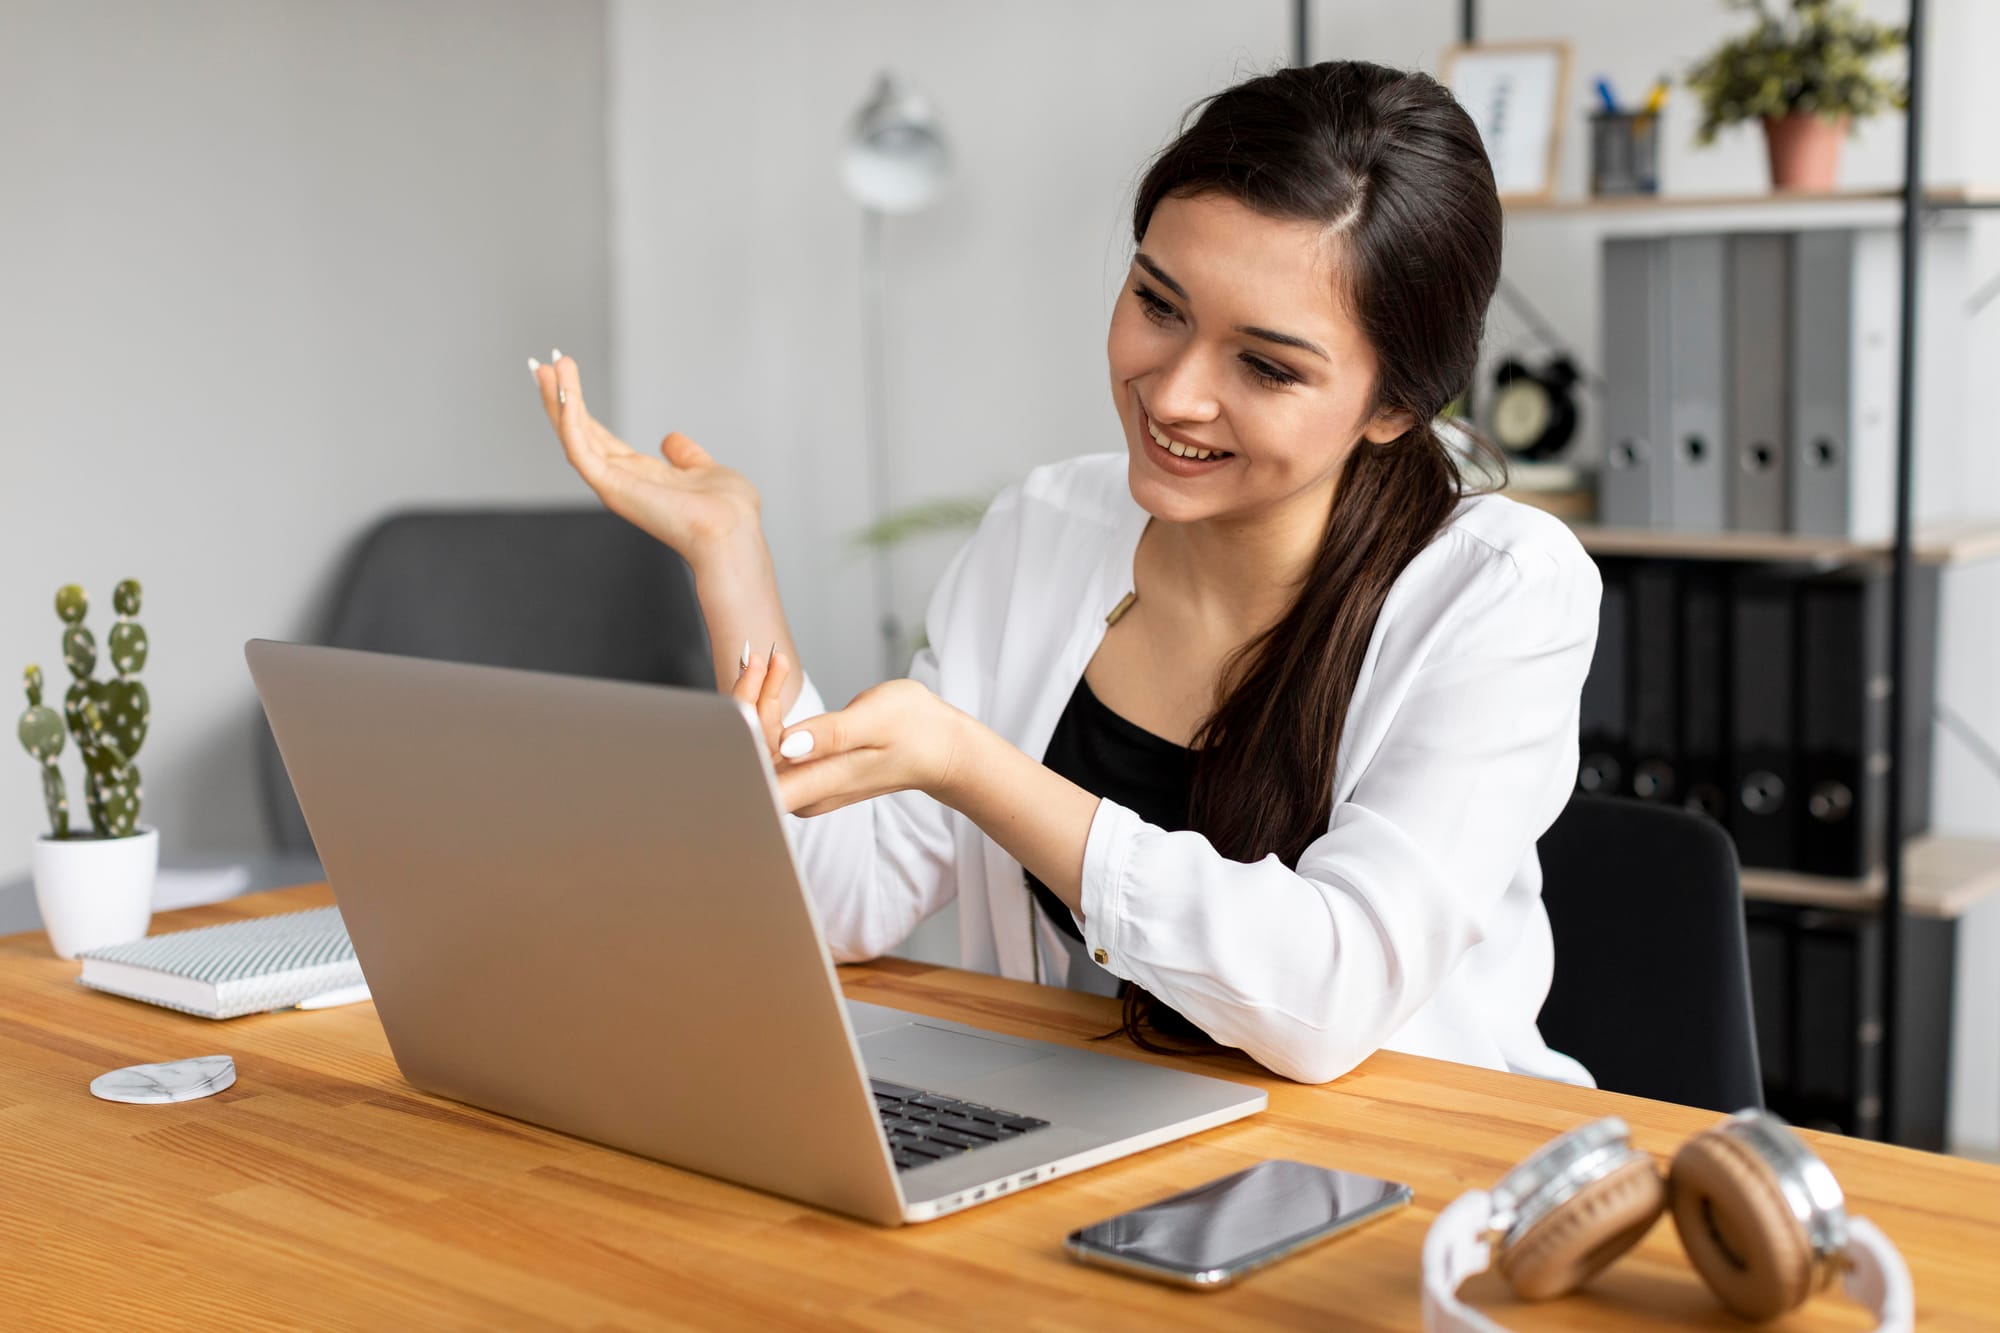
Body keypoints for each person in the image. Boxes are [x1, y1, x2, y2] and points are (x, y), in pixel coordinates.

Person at [530, 60, 1598, 1087]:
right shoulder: (1044, 529)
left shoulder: (1499, 594)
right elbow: (836, 901)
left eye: (1265, 366)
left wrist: (974, 767)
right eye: (1158, 304)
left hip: (1406, 1178)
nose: (1174, 393)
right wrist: (731, 561)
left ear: (1394, 406)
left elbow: (1324, 995)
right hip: (1092, 1148)